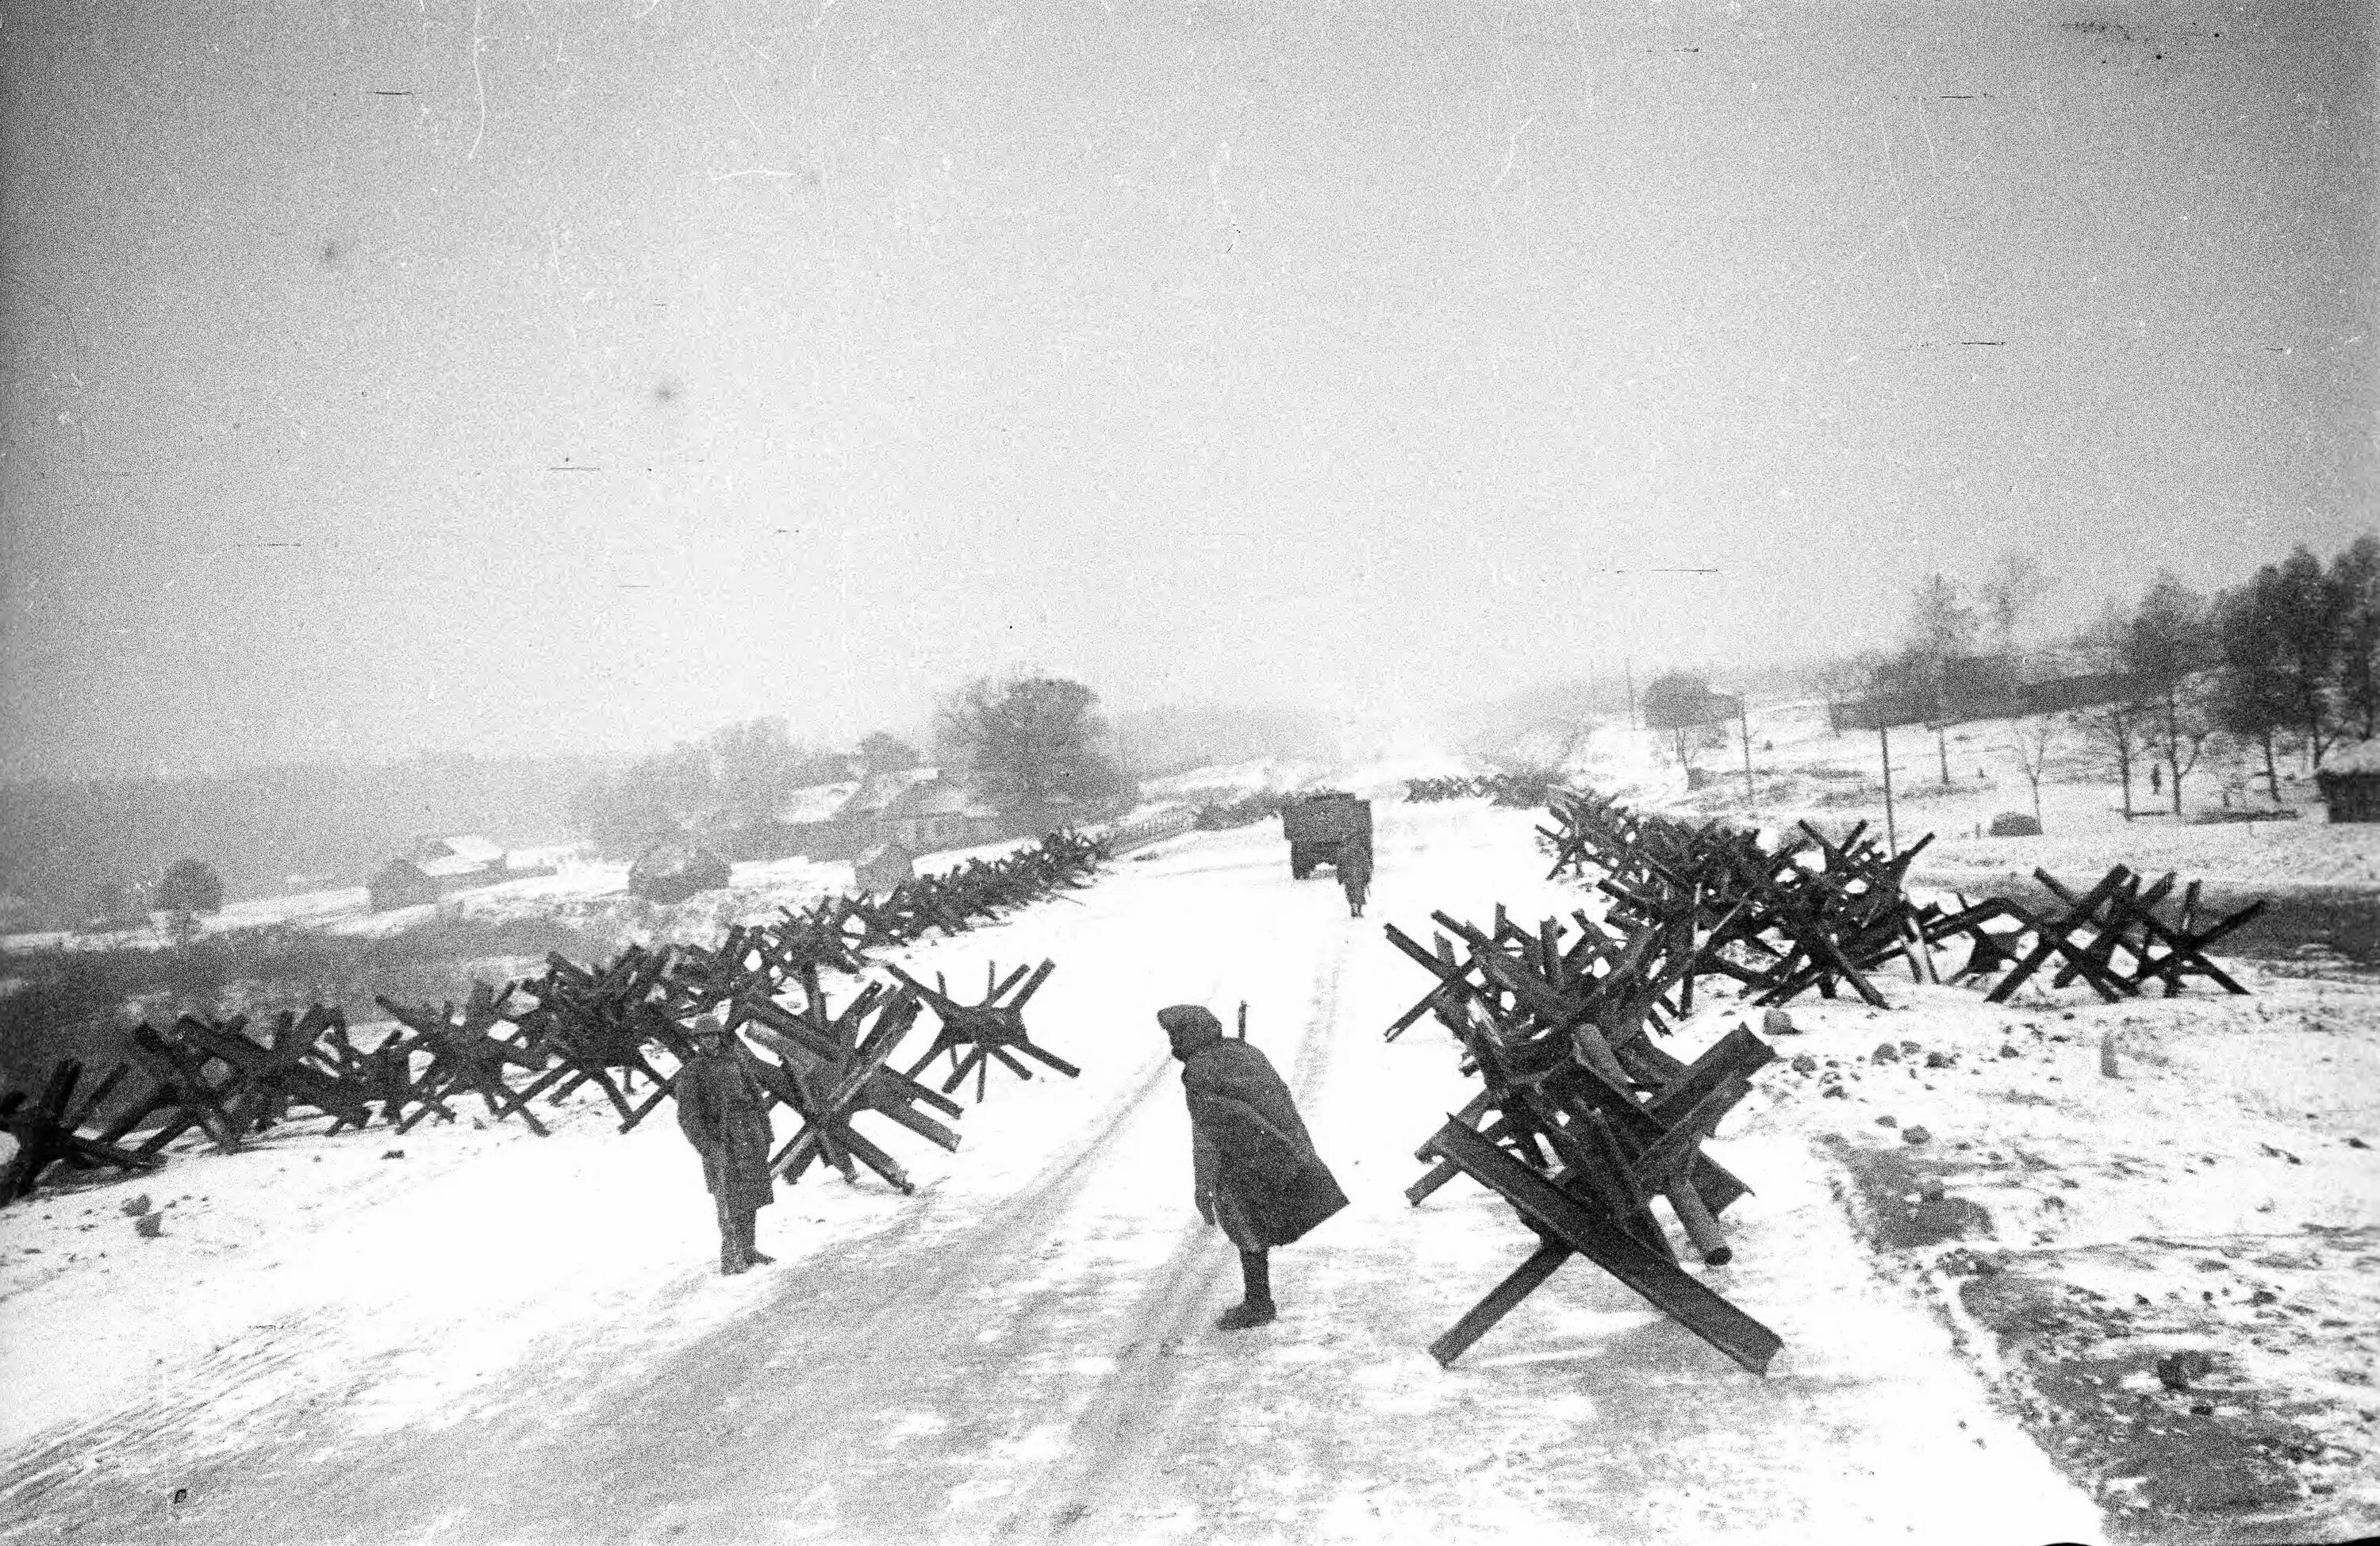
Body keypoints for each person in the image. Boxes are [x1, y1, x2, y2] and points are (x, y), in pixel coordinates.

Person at [1160, 1003, 1349, 1329]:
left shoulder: (1200, 1070)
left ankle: (1259, 1303)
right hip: (1280, 1144)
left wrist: (1203, 1184)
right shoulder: (1244, 1051)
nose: (1172, 1042)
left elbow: (1208, 1132)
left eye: (1175, 1034)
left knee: (1244, 1224)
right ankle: (1258, 1300)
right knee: (1255, 1223)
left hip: (1246, 1154)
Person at [674, 1015, 777, 1275]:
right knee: (729, 1201)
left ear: (720, 1036)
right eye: (704, 1037)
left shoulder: (737, 1062)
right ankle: (732, 1258)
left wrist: (765, 1134)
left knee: (752, 1196)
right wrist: (708, 1147)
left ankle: (749, 1249)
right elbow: (688, 1117)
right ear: (698, 1041)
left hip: (749, 1137)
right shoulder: (692, 1072)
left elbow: (756, 1099)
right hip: (722, 1142)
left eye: (714, 1035)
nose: (710, 1040)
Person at [1336, 838, 1372, 919]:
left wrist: (1340, 878)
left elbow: (1340, 867)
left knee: (1351, 893)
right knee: (1360, 893)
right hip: (1360, 877)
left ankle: (1353, 910)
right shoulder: (1362, 851)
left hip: (1349, 878)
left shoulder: (1344, 852)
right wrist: (1367, 877)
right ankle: (1359, 911)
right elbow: (1366, 866)